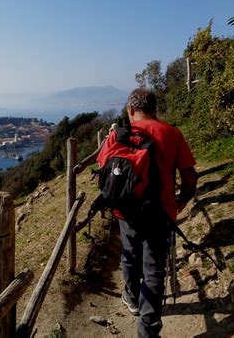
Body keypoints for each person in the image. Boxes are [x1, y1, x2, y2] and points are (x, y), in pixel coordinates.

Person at [74, 88, 198, 337]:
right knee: (154, 269)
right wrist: (181, 201)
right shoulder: (171, 133)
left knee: (130, 255)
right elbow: (189, 175)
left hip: (125, 212)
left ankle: (131, 298)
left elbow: (103, 170)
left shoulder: (117, 135)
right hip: (161, 214)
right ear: (155, 109)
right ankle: (148, 330)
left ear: (130, 110)